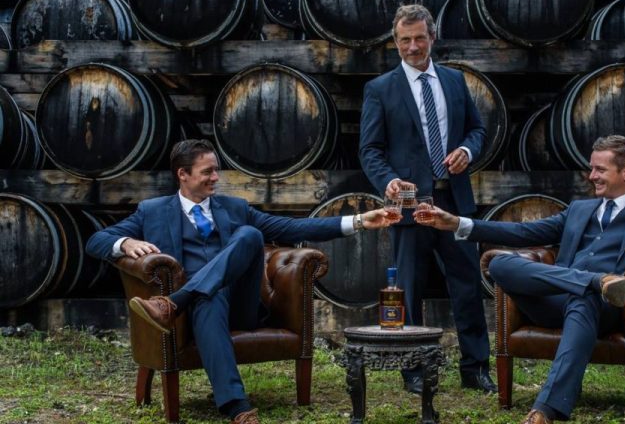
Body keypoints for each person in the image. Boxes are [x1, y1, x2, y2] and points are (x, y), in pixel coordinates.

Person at [86, 139, 395, 424]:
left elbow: (291, 227)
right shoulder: (151, 212)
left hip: (241, 304)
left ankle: (172, 304)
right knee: (208, 297)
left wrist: (358, 221)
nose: (215, 178)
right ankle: (237, 406)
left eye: (216, 171)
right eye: (207, 172)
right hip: (197, 314)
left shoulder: (235, 208)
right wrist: (125, 243)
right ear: (183, 174)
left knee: (249, 235)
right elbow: (97, 240)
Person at [415, 135, 625, 423]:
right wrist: (457, 223)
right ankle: (596, 281)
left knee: (583, 299)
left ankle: (545, 410)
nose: (591, 175)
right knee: (499, 263)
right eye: (591, 168)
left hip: (608, 308)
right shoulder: (579, 209)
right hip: (554, 299)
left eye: (600, 169)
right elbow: (523, 233)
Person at [358, 4, 496, 394]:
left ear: (432, 38)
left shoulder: (454, 80)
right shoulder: (380, 89)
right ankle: (413, 368)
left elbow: (476, 129)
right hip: (409, 205)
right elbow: (370, 150)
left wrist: (468, 151)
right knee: (410, 290)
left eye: (420, 38)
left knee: (467, 286)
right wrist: (387, 181)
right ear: (395, 42)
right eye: (405, 40)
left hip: (453, 201)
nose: (413, 46)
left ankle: (475, 367)